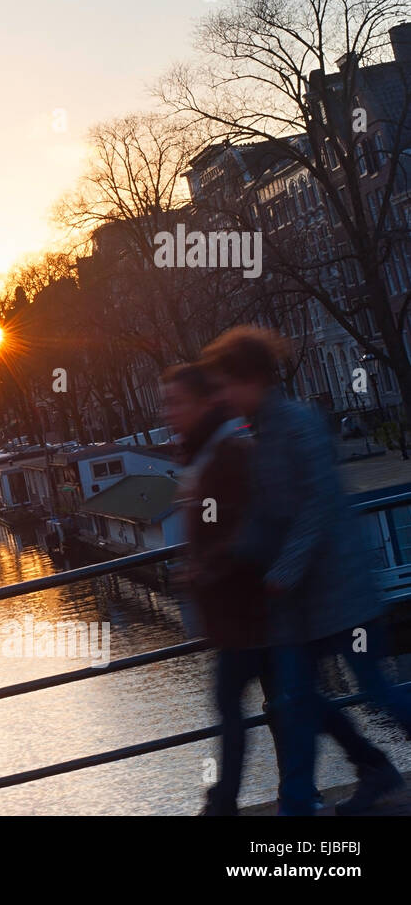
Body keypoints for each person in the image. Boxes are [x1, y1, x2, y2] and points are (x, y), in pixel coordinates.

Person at [202, 326, 411, 815]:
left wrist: (284, 569)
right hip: (299, 607)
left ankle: (347, 784)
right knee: (294, 701)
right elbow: (265, 514)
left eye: (228, 384)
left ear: (252, 380)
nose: (225, 396)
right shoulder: (259, 433)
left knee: (376, 693)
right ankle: (299, 803)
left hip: (341, 595)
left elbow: (317, 505)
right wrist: (228, 557)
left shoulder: (297, 424)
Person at [163, 363, 266, 814]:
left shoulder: (223, 452)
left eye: (175, 402)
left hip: (248, 607)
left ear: (203, 403)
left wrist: (204, 567)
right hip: (235, 610)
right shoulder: (202, 450)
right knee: (291, 698)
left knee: (236, 700)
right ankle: (369, 760)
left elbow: (241, 524)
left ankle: (224, 800)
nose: (168, 413)